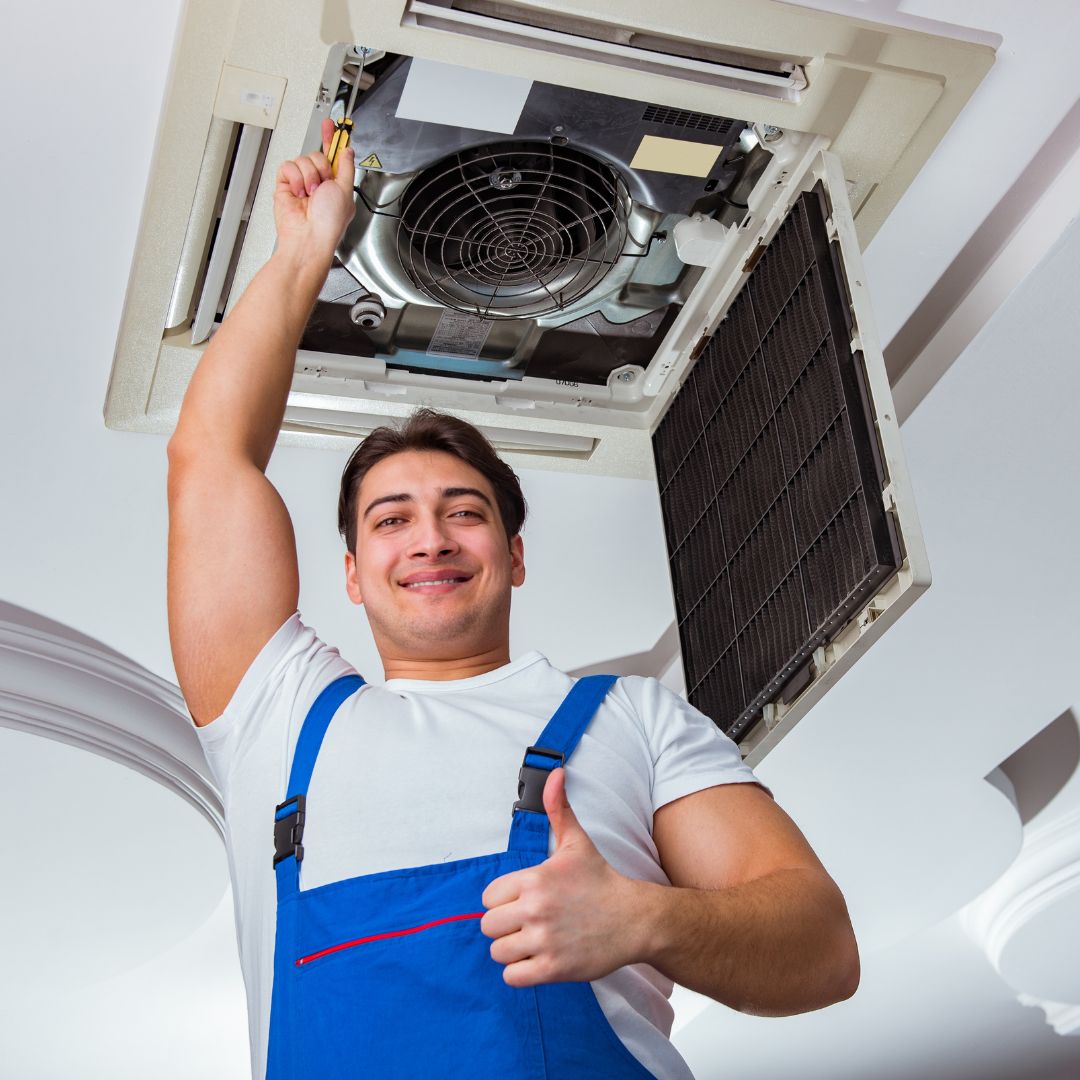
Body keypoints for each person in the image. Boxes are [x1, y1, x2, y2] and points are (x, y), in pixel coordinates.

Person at [167, 121, 860, 1079]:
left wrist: (642, 917)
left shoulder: (634, 720)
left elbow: (822, 949)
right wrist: (300, 257)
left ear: (515, 555)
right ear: (353, 576)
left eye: (464, 512)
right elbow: (212, 460)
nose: (432, 539)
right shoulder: (275, 718)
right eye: (392, 521)